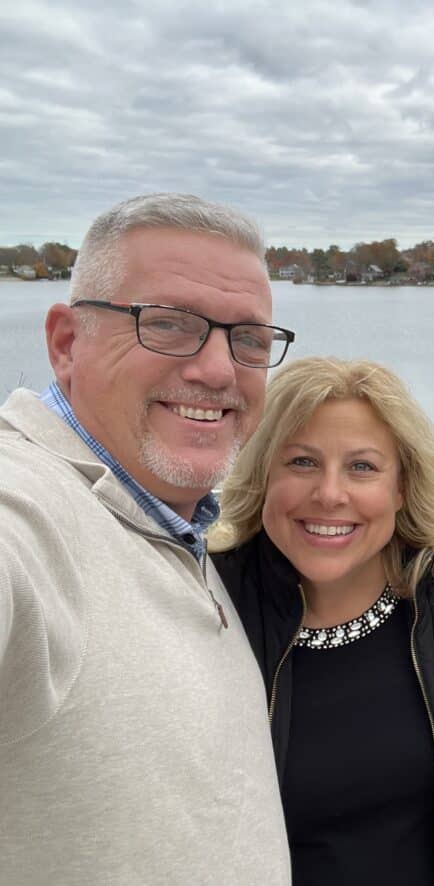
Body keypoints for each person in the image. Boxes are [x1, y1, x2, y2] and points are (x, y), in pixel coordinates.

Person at [0, 193, 294, 883]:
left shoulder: (171, 520)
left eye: (248, 339)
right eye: (168, 324)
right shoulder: (34, 512)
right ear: (68, 343)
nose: (220, 369)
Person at [209, 356, 434, 886]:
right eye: (301, 462)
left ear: (401, 488)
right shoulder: (208, 608)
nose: (330, 494)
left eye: (362, 467)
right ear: (262, 472)